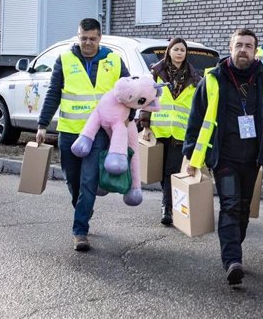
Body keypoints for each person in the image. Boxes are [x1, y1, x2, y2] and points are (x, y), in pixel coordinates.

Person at [182, 28, 263, 286]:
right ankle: (232, 260)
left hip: (253, 158)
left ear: (255, 51)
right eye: (238, 45)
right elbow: (196, 117)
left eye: (248, 46)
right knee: (229, 205)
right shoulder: (213, 79)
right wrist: (190, 154)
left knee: (242, 208)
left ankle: (233, 247)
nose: (243, 49)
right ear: (230, 48)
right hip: (224, 157)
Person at [35, 18, 133, 252]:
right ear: (77, 37)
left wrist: (129, 116)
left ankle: (80, 231)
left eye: (92, 38)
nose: (87, 43)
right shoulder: (65, 59)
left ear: (100, 38)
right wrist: (41, 124)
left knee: (89, 180)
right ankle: (83, 210)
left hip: (99, 133)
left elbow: (130, 91)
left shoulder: (114, 60)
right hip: (69, 132)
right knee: (74, 181)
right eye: (83, 38)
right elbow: (53, 94)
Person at [138, 38, 202, 226]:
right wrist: (145, 125)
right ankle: (169, 202)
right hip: (160, 130)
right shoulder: (157, 73)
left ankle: (167, 208)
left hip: (180, 132)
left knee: (171, 170)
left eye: (183, 50)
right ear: (169, 51)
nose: (179, 53)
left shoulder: (193, 77)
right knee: (160, 169)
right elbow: (146, 98)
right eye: (176, 49)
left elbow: (196, 106)